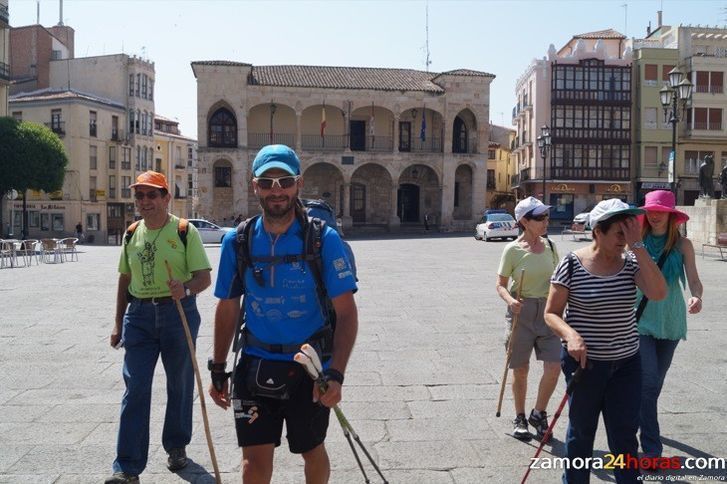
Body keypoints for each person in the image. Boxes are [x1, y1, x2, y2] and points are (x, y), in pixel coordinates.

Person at [208, 144, 358, 483]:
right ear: (254, 185)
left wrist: (335, 374)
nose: (276, 190)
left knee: (312, 450)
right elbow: (228, 306)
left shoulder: (323, 240)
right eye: (267, 182)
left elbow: (346, 313)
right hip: (254, 366)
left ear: (299, 185)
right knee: (253, 465)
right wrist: (218, 367)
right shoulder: (238, 241)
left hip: (309, 368)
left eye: (285, 181)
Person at [544, 198, 667, 484]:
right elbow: (551, 314)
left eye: (630, 233)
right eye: (619, 234)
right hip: (584, 365)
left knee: (624, 436)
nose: (624, 241)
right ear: (598, 231)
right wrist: (571, 335)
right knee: (581, 434)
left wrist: (639, 247)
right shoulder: (571, 263)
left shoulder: (632, 262)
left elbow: (659, 293)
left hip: (626, 364)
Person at [106, 171, 212, 484]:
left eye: (152, 194)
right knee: (135, 387)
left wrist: (186, 289)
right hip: (138, 317)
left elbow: (204, 277)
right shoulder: (131, 233)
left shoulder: (183, 230)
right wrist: (117, 323)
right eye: (139, 195)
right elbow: (124, 279)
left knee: (179, 383)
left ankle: (176, 445)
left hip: (177, 312)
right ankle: (126, 467)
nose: (145, 201)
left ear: (166, 197)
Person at [637, 190, 703, 465]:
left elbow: (695, 281)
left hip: (671, 319)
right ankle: (652, 448)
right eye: (651, 210)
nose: (654, 215)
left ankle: (642, 416)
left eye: (660, 211)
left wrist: (697, 296)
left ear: (671, 215)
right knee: (649, 382)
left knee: (654, 383)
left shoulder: (683, 245)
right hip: (639, 319)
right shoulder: (636, 242)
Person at [496, 196, 561, 440]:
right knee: (520, 369)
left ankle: (539, 413)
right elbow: (500, 284)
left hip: (548, 311)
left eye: (546, 216)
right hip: (520, 312)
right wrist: (510, 301)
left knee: (554, 366)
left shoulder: (552, 246)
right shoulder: (512, 250)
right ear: (524, 221)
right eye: (540, 217)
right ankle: (520, 416)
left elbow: (559, 279)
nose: (546, 221)